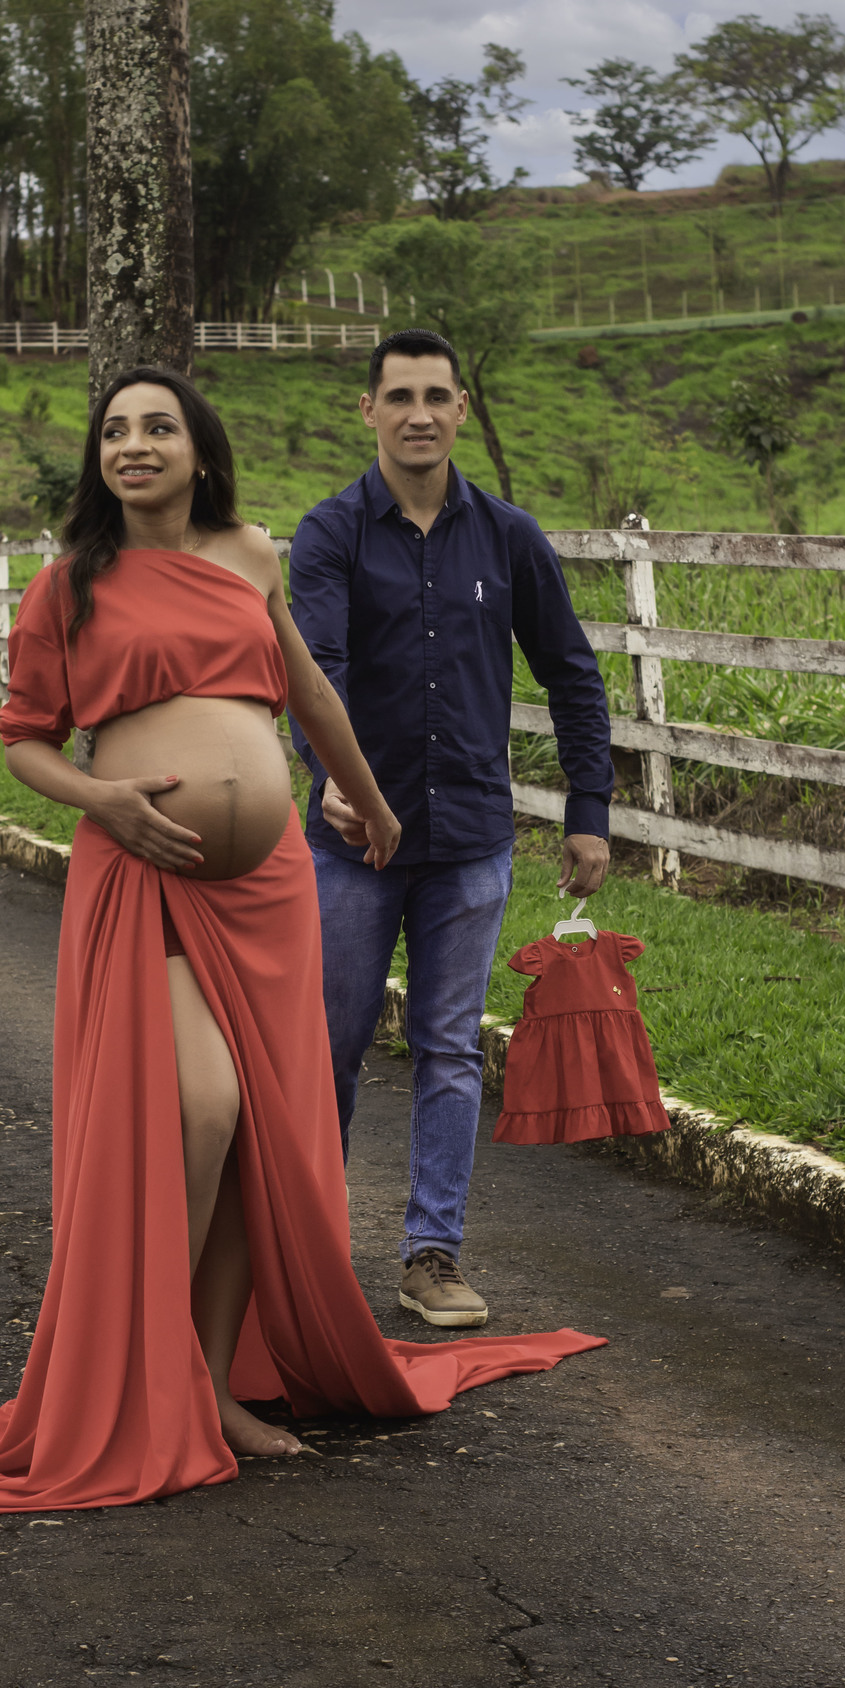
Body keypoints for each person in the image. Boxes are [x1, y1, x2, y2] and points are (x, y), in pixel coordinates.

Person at [0, 365, 603, 1516]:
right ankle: (158, 1373)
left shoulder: (251, 554)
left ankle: (219, 1384)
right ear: (100, 459)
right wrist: (103, 800)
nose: (134, 445)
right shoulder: (68, 584)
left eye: (158, 427)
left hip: (270, 888)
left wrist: (369, 800)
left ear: (199, 448)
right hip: (148, 884)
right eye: (116, 431)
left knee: (260, 1141)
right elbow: (25, 737)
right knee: (203, 1108)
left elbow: (309, 694)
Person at [289, 329, 614, 1331]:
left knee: (447, 1046)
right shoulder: (331, 532)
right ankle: (309, 1255)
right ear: (370, 411)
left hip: (471, 836)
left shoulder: (508, 536)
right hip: (352, 848)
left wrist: (589, 811)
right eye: (400, 397)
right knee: (328, 1048)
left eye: (437, 396)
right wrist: (334, 779)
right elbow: (315, 670)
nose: (419, 414)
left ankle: (432, 1255)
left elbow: (571, 670)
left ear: (461, 409)